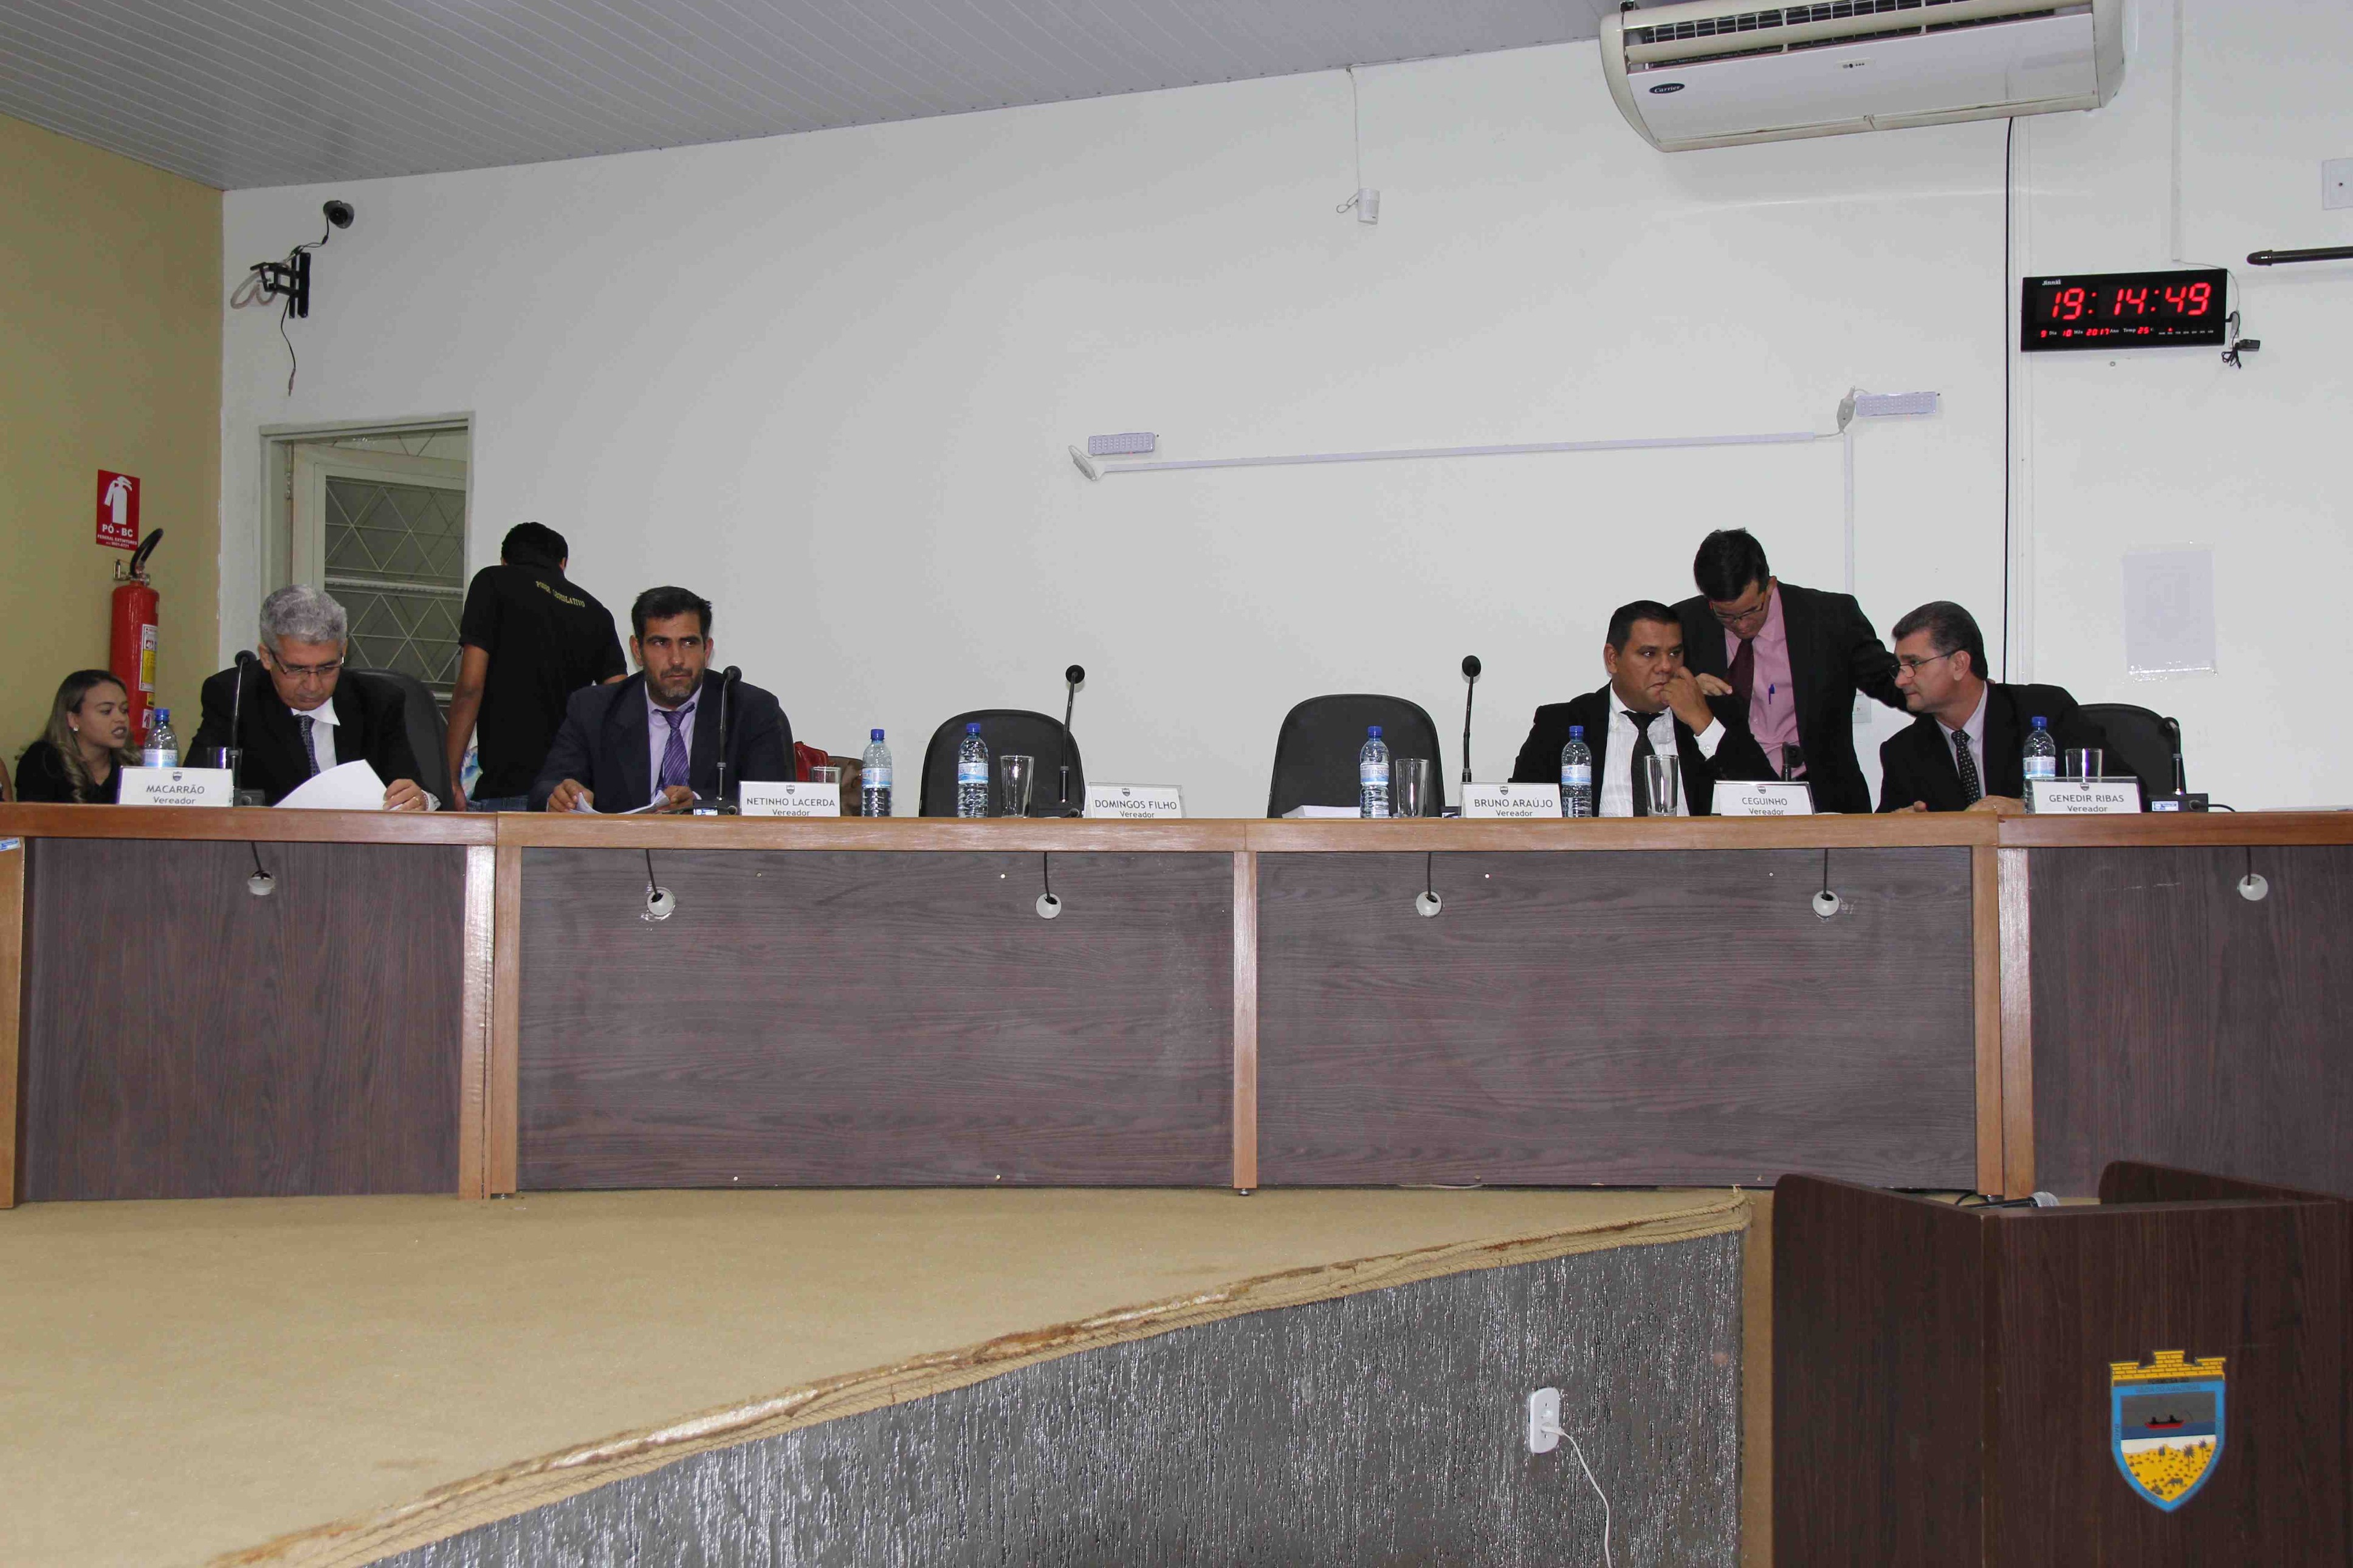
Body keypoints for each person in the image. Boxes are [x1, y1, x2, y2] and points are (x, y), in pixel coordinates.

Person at [1672, 529, 1905, 815]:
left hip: (1823, 797)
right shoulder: (1685, 624)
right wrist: (1686, 691)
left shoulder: (1831, 618)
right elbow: (1650, 694)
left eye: (1751, 611)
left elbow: (1892, 683)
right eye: (1726, 616)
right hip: (1725, 795)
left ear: (1770, 586)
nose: (1741, 625)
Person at [531, 586, 792, 812]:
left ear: (707, 650)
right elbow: (546, 787)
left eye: (689, 643)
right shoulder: (593, 709)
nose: (677, 659)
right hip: (620, 852)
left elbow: (773, 803)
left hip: (718, 854)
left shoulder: (751, 710)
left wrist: (698, 806)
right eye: (660, 643)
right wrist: (560, 796)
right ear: (637, 650)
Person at [1510, 600, 1776, 815]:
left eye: (1675, 653)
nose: (1666, 666)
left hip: (1693, 863)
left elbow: (1772, 805)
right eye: (1649, 654)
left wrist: (1703, 723)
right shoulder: (1561, 724)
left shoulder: (1713, 716)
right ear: (1612, 659)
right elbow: (1519, 818)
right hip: (1593, 863)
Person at [188, 585, 434, 809]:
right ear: (267, 657)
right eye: (296, 669)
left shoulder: (378, 701)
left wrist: (421, 800)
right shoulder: (234, 696)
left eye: (327, 668)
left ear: (343, 651)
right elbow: (194, 794)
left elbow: (412, 789)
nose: (313, 686)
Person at [445, 521, 628, 812]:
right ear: (563, 563)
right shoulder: (596, 611)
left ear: (505, 560)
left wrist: (450, 778)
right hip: (569, 798)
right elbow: (620, 703)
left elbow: (470, 686)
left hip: (507, 791)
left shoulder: (493, 582)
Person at [1877, 600, 2122, 813]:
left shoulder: (2045, 709)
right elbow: (1883, 833)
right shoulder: (1903, 752)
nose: (1900, 681)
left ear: (1959, 664)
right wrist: (1899, 828)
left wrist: (2028, 808)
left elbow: (2122, 796)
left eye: (1914, 664)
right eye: (1899, 668)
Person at [15, 669, 137, 803]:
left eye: (124, 710)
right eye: (106, 711)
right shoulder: (44, 760)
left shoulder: (134, 763)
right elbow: (33, 815)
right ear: (73, 719)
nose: (121, 718)